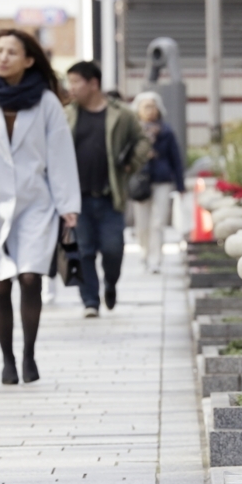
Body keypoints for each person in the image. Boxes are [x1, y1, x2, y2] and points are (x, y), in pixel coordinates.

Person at [0, 30, 81, 385]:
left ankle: (29, 356)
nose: (3, 57)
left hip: (36, 201)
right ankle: (7, 359)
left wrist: (68, 206)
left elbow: (60, 157)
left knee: (30, 277)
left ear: (28, 60)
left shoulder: (46, 102)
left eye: (11, 52)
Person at [65, 62, 150, 317]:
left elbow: (143, 140)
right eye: (69, 82)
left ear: (93, 83)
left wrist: (132, 163)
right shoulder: (65, 114)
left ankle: (110, 284)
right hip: (76, 198)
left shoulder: (121, 113)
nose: (71, 88)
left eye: (76, 82)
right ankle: (90, 301)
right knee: (83, 251)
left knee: (113, 250)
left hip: (109, 196)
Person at [131, 92, 185, 273]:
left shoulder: (166, 131)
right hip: (140, 181)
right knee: (142, 223)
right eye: (145, 106)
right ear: (138, 110)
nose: (149, 110)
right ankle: (144, 253)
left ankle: (156, 259)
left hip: (162, 180)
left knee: (158, 222)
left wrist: (180, 185)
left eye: (152, 106)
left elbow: (176, 158)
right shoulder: (133, 131)